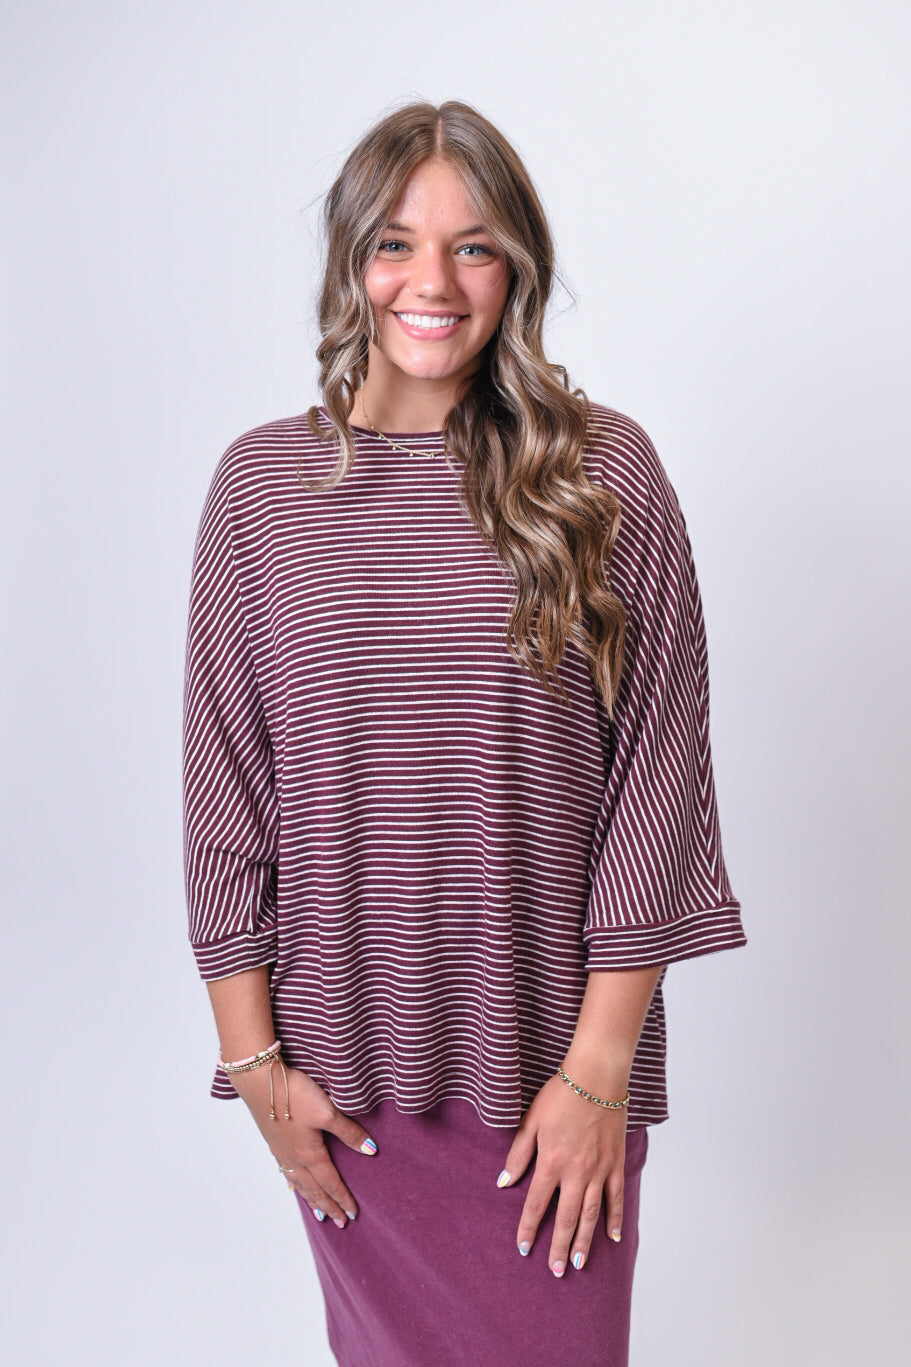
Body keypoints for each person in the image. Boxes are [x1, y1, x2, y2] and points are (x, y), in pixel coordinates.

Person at [183, 100, 746, 1367]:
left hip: (552, 1074)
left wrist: (597, 1071)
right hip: (344, 1086)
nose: (430, 281)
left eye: (472, 245)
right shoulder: (262, 487)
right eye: (394, 243)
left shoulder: (601, 474)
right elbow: (226, 784)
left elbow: (657, 781)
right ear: (350, 260)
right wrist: (254, 1063)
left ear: (517, 267)